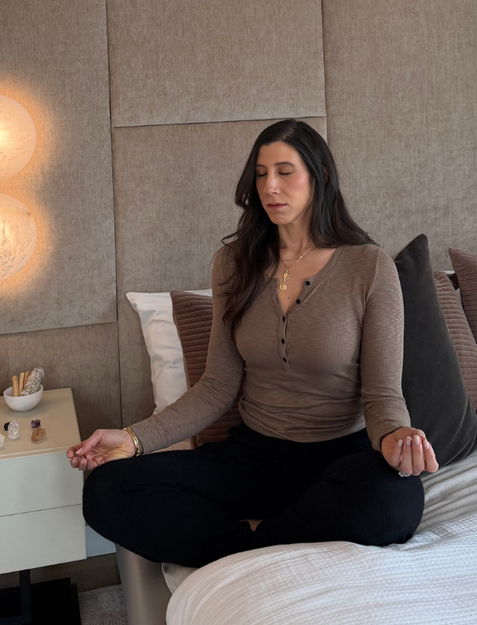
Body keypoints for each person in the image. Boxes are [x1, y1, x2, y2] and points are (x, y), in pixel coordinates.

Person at [68, 119, 438, 569]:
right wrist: (131, 439)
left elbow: (382, 397)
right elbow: (217, 387)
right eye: (261, 174)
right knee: (107, 490)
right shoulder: (233, 265)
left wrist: (398, 436)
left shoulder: (368, 266)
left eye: (285, 171)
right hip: (255, 457)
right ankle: (269, 541)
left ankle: (256, 543)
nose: (270, 186)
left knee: (394, 500)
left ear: (319, 175)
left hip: (341, 457)